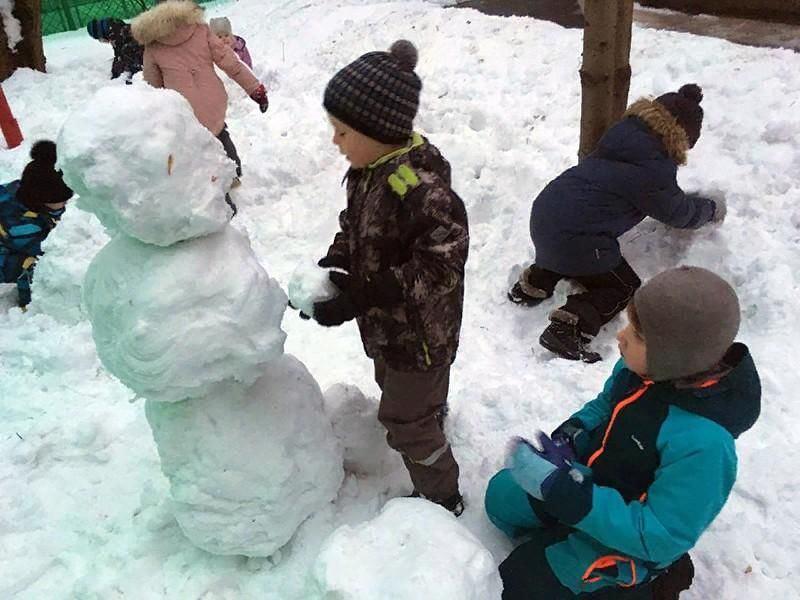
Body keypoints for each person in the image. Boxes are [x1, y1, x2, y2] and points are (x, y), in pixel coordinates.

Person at [486, 266, 760, 599]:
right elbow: (605, 406)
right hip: (592, 482)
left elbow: (660, 534)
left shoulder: (705, 445)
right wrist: (573, 435)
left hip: (636, 535)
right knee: (499, 499)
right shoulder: (642, 371)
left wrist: (568, 496)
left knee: (516, 585)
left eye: (639, 334)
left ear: (676, 356)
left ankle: (653, 583)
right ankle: (568, 524)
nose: (621, 335)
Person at [304, 40, 469, 515]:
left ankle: (441, 496)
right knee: (397, 386)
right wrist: (337, 267)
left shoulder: (421, 189)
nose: (335, 141)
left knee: (404, 419)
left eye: (342, 132)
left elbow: (443, 265)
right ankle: (428, 416)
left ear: (380, 130)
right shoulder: (371, 169)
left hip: (420, 335)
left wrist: (367, 292)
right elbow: (355, 228)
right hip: (390, 331)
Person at [509, 84, 726, 363]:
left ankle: (532, 285)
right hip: (576, 239)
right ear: (680, 136)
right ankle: (568, 327)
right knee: (621, 286)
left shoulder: (622, 138)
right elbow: (677, 213)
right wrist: (709, 209)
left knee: (567, 247)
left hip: (544, 217)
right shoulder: (652, 167)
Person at [131, 0, 269, 190]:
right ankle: (234, 173)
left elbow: (153, 86)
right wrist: (255, 89)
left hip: (183, 109)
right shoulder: (200, 29)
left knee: (194, 147)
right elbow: (230, 62)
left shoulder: (152, 44)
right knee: (220, 134)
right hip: (212, 99)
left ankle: (209, 188)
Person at [0, 141, 73, 308]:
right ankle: (31, 304)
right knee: (34, 264)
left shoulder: (21, 190)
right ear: (42, 201)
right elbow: (44, 251)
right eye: (62, 201)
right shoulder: (23, 227)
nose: (65, 203)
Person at [86, 17, 144, 82]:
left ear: (101, 34)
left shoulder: (116, 35)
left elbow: (121, 57)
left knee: (128, 57)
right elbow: (118, 54)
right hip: (143, 46)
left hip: (144, 51)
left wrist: (116, 75)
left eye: (100, 39)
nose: (102, 41)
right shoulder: (116, 27)